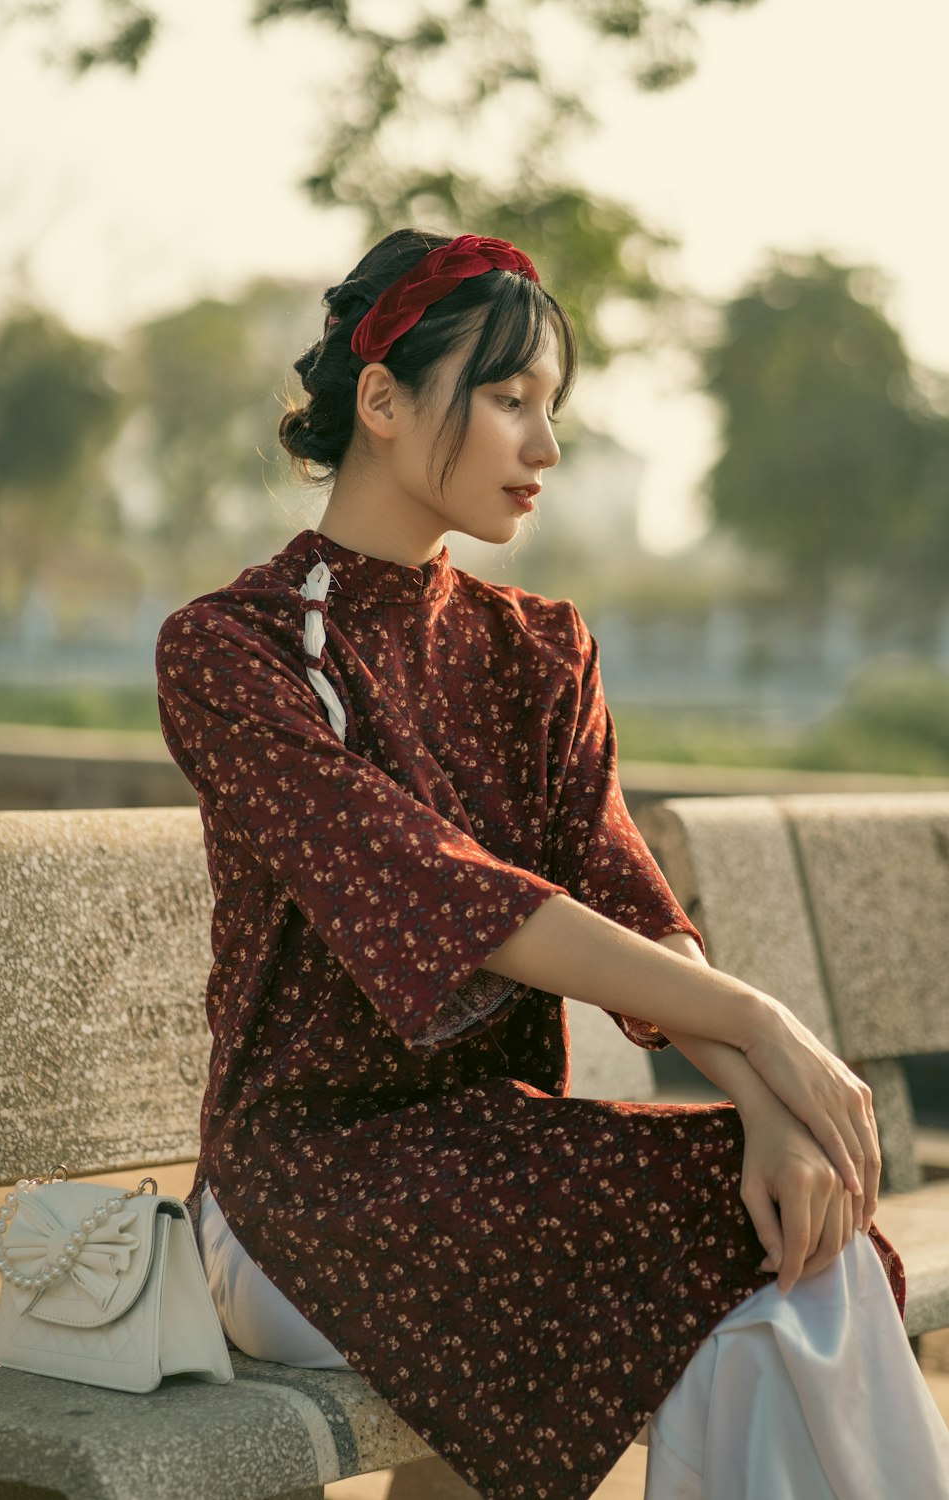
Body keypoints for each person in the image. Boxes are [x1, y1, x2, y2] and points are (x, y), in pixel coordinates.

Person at [156, 229, 949, 1499]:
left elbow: (630, 901)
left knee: (794, 1231)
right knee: (751, 1242)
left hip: (497, 1173)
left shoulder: (538, 648)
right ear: (382, 399)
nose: (546, 446)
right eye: (509, 401)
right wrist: (766, 1029)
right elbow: (450, 896)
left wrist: (765, 1104)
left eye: (553, 407)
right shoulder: (235, 653)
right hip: (300, 1199)